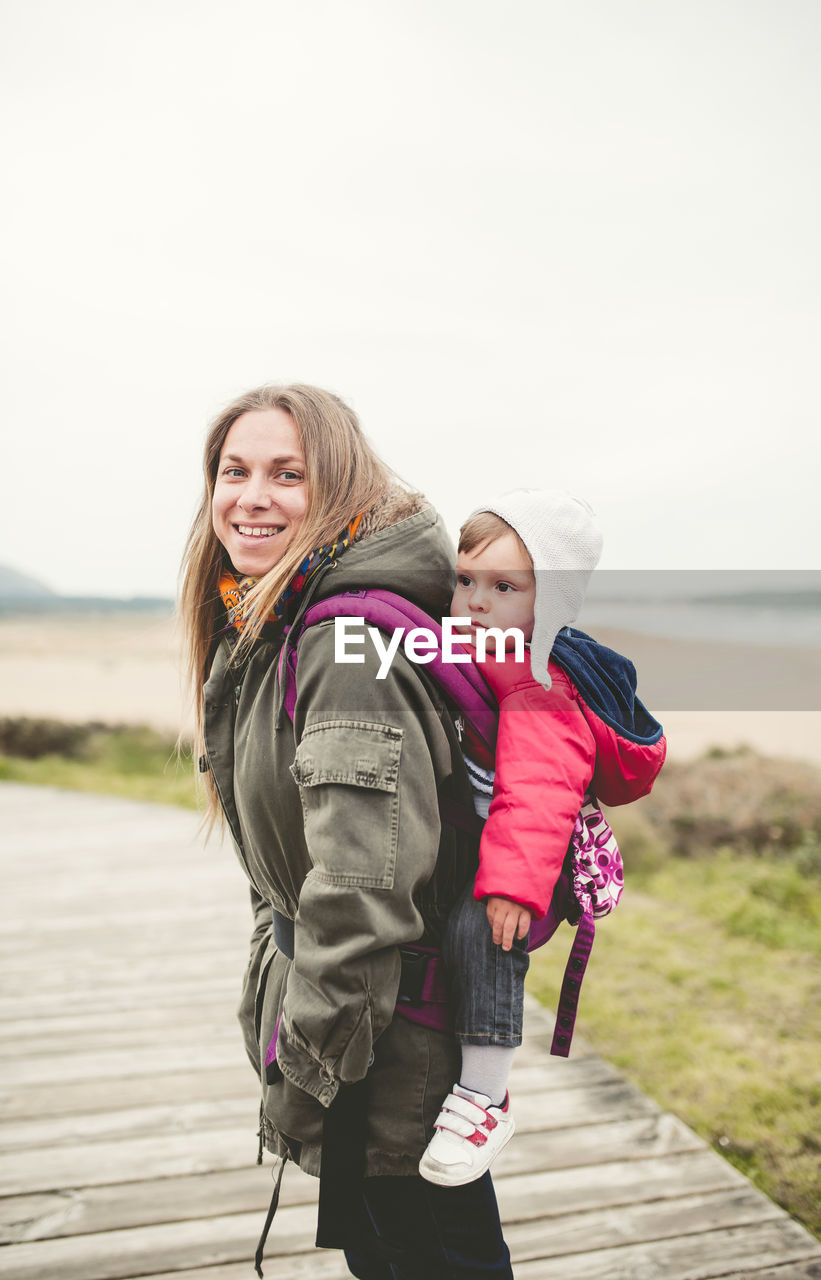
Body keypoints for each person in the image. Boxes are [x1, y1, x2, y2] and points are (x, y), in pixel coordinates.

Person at [179, 384, 514, 1279]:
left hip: (382, 1051)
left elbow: (362, 892)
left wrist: (308, 1071)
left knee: (432, 1260)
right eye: (234, 470)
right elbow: (285, 858)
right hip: (366, 1032)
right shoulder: (275, 619)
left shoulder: (338, 647)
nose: (252, 496)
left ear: (336, 492)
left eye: (288, 474)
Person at [418, 490, 666, 1188]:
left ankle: (483, 1099)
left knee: (479, 932)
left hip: (536, 860)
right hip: (495, 841)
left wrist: (513, 889)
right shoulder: (473, 643)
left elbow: (540, 785)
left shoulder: (536, 680)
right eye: (464, 579)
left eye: (503, 587)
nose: (474, 600)